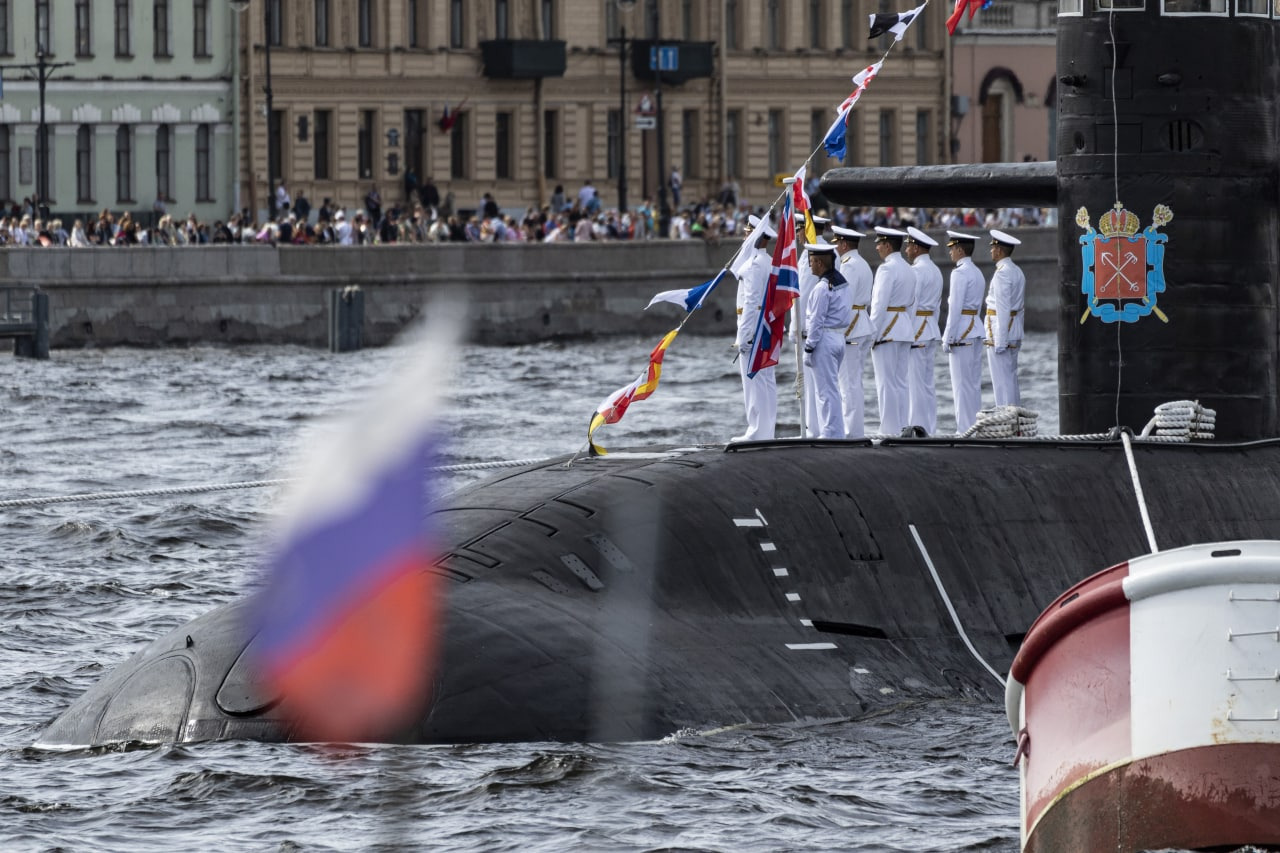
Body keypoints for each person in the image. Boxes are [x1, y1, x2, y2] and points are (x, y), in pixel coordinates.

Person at [731, 215, 778, 442]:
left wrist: (744, 336)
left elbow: (749, 304)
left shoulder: (751, 266)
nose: (744, 236)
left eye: (747, 232)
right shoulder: (769, 262)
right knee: (767, 380)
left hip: (752, 326)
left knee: (752, 381)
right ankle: (767, 429)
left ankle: (756, 430)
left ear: (755, 236)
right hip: (767, 325)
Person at [869, 226, 916, 436]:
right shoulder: (909, 269)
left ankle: (888, 430)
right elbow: (913, 304)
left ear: (887, 245)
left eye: (879, 244)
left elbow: (879, 305)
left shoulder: (886, 269)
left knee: (886, 383)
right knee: (901, 382)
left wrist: (872, 335)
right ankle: (902, 426)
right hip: (904, 327)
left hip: (887, 329)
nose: (877, 248)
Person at [802, 241, 851, 438]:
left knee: (825, 391)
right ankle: (833, 430)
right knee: (831, 389)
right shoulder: (842, 283)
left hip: (824, 340)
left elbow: (816, 321)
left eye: (812, 261)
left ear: (820, 263)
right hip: (838, 337)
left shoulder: (822, 288)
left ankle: (831, 432)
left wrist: (808, 348)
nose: (810, 265)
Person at [942, 230, 988, 433]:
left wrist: (948, 337)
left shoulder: (959, 273)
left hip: (962, 332)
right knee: (973, 385)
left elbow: (955, 308)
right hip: (976, 329)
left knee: (961, 387)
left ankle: (964, 431)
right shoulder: (977, 272)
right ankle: (974, 428)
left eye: (952, 249)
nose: (950, 253)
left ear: (960, 250)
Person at [833, 225, 873, 438]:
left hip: (851, 326)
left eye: (837, 244)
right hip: (862, 324)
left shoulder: (847, 266)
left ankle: (851, 432)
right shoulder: (863, 263)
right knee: (854, 381)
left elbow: (844, 301)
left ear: (844, 244)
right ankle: (855, 429)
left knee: (848, 383)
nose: (836, 249)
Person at [794, 213, 831, 437]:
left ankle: (815, 429)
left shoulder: (813, 253)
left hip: (811, 328)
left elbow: (803, 295)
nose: (797, 234)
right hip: (824, 325)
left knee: (814, 382)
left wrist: (796, 327)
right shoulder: (824, 249)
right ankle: (819, 428)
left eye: (799, 230)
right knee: (823, 383)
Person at [904, 226, 942, 435]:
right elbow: (936, 307)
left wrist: (909, 332)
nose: (907, 250)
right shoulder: (935, 270)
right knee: (927, 384)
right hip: (930, 329)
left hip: (917, 328)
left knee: (916, 384)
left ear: (917, 248)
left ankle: (917, 429)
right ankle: (930, 427)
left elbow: (912, 302)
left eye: (909, 246)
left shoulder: (916, 271)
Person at [985, 229, 1026, 406]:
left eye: (993, 247)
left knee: (1001, 381)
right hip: (1014, 329)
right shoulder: (1017, 271)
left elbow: (1002, 308)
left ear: (999, 250)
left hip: (1001, 331)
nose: (991, 251)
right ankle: (1014, 417)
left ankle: (1005, 417)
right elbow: (1021, 307)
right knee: (1010, 378)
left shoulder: (1002, 273)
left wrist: (1000, 340)